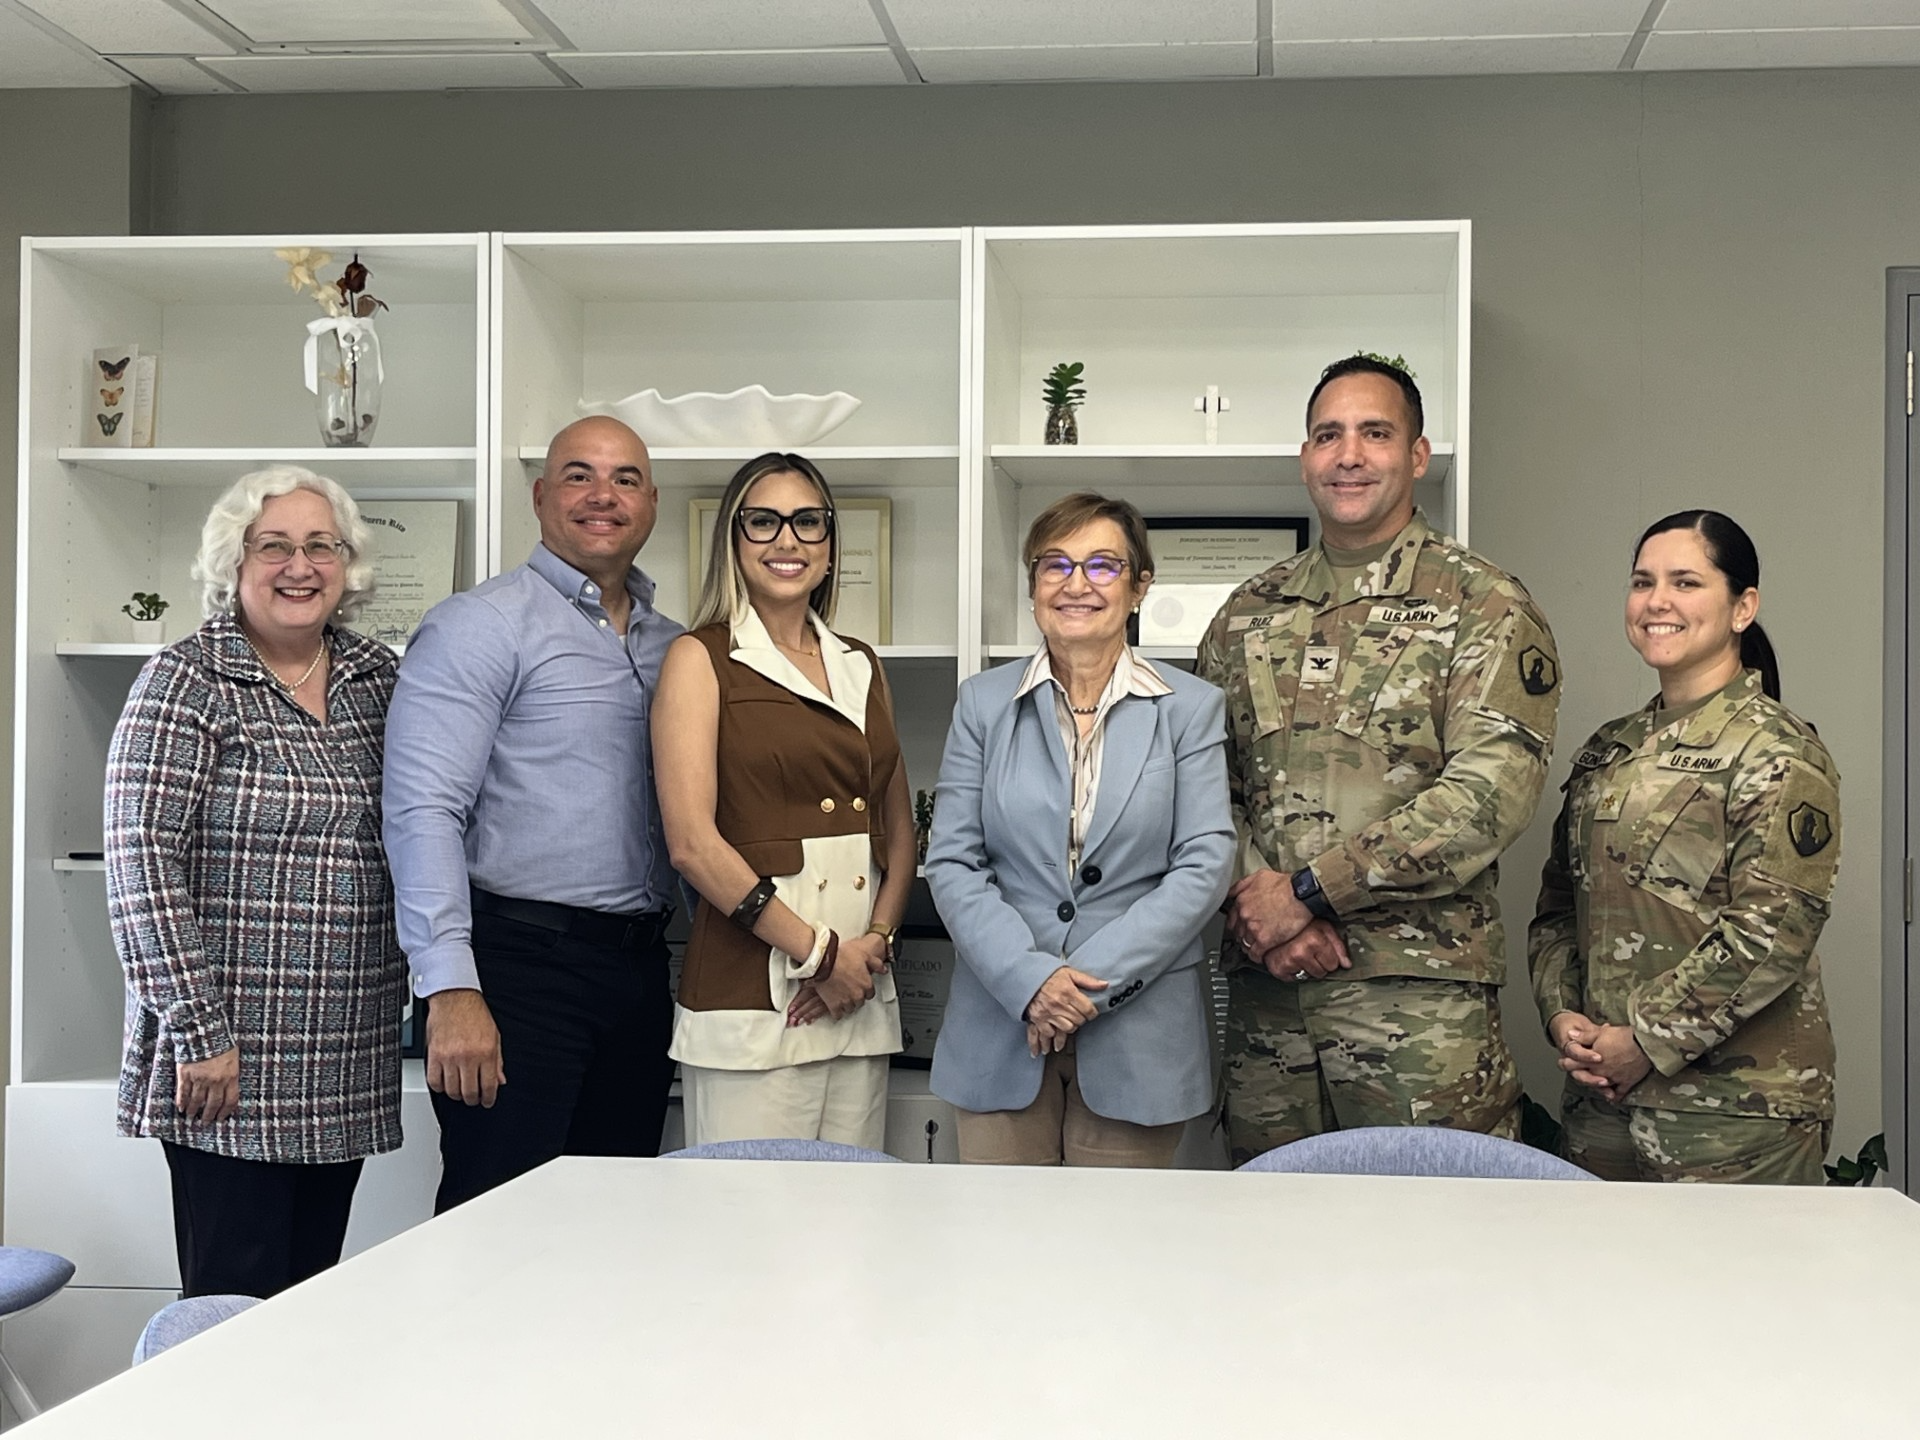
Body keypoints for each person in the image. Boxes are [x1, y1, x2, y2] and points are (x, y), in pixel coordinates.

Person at [1195, 356, 1561, 1165]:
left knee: (1431, 1229)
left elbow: (1487, 796)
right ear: (1305, 458)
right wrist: (1263, 913)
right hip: (1268, 1002)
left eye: (1375, 433)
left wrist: (1308, 892)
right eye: (1329, 435)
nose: (1349, 455)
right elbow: (1202, 787)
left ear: (1418, 455)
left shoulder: (1484, 603)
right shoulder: (1245, 613)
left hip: (1418, 1005)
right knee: (1268, 1229)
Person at [106, 465, 402, 1298]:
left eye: (321, 546)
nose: (299, 566)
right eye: (273, 546)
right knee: (230, 1310)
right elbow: (139, 867)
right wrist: (197, 1030)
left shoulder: (378, 677)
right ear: (233, 562)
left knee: (309, 1305)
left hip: (343, 1054)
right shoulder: (187, 679)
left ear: (347, 564)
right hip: (227, 1059)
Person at [383, 416, 682, 1211]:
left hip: (639, 974)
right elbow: (422, 811)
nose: (603, 496)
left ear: (651, 502)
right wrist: (450, 989)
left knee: (613, 1226)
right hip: (516, 975)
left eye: (624, 479)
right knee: (497, 1228)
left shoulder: (675, 646)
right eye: (580, 475)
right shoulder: (481, 624)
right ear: (542, 496)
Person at [1530, 511, 1839, 1183]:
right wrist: (1564, 1015)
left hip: (1736, 1114)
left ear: (1742, 608)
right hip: (1603, 1104)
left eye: (1686, 582)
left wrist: (1646, 1039)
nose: (1657, 601)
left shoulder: (1778, 751)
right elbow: (1558, 912)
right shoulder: (1608, 751)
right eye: (1643, 582)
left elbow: (1773, 931)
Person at [927, 492, 1232, 1167]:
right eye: (1056, 564)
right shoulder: (982, 703)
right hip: (1000, 1027)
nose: (1076, 584)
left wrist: (1083, 987)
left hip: (1139, 1036)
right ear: (1033, 584)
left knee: (1117, 1235)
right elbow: (952, 861)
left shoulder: (1191, 709)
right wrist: (1031, 982)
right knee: (1000, 1232)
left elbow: (1205, 863)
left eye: (1102, 565)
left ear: (1139, 587)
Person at [653, 453, 908, 1147]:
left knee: (856, 1208)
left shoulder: (861, 663)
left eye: (807, 522)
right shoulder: (700, 657)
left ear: (830, 544)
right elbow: (692, 845)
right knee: (746, 1211)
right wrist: (820, 957)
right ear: (733, 541)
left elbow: (896, 831)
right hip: (753, 997)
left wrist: (872, 947)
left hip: (857, 995)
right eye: (763, 522)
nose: (787, 540)